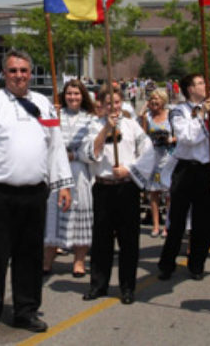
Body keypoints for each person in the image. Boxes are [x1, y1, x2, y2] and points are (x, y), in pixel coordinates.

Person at [0, 50, 73, 338]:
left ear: (31, 73)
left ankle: (26, 311)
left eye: (24, 70)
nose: (19, 76)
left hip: (34, 194)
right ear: (3, 74)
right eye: (13, 71)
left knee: (29, 257)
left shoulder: (44, 105)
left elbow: (55, 145)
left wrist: (63, 184)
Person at [80, 89, 156, 304]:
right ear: (102, 104)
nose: (114, 106)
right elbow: (88, 153)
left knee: (128, 240)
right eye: (109, 102)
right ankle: (98, 285)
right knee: (102, 239)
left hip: (126, 187)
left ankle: (127, 287)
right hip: (104, 188)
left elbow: (148, 153)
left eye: (117, 101)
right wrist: (106, 129)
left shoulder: (133, 126)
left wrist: (130, 170)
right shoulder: (94, 125)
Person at [158, 73, 210, 281]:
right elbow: (187, 137)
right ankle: (167, 264)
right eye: (198, 83)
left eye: (203, 82)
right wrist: (200, 115)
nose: (203, 86)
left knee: (204, 222)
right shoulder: (178, 111)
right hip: (185, 170)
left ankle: (197, 263)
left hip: (206, 170)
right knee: (177, 220)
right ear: (189, 89)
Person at [43, 80, 97, 277]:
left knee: (81, 214)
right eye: (69, 94)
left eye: (76, 93)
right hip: (57, 171)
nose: (73, 97)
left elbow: (92, 146)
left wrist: (74, 155)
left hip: (79, 171)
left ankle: (79, 262)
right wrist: (51, 121)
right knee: (53, 214)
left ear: (83, 96)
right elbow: (46, 139)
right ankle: (47, 260)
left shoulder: (90, 118)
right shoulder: (56, 114)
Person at [139, 88, 175, 238]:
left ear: (163, 101)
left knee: (168, 194)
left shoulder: (170, 115)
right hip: (153, 157)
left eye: (157, 99)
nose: (154, 101)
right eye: (152, 99)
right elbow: (142, 135)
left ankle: (167, 225)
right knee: (153, 193)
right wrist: (142, 112)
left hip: (168, 157)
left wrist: (170, 139)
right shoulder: (148, 117)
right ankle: (155, 225)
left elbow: (179, 135)